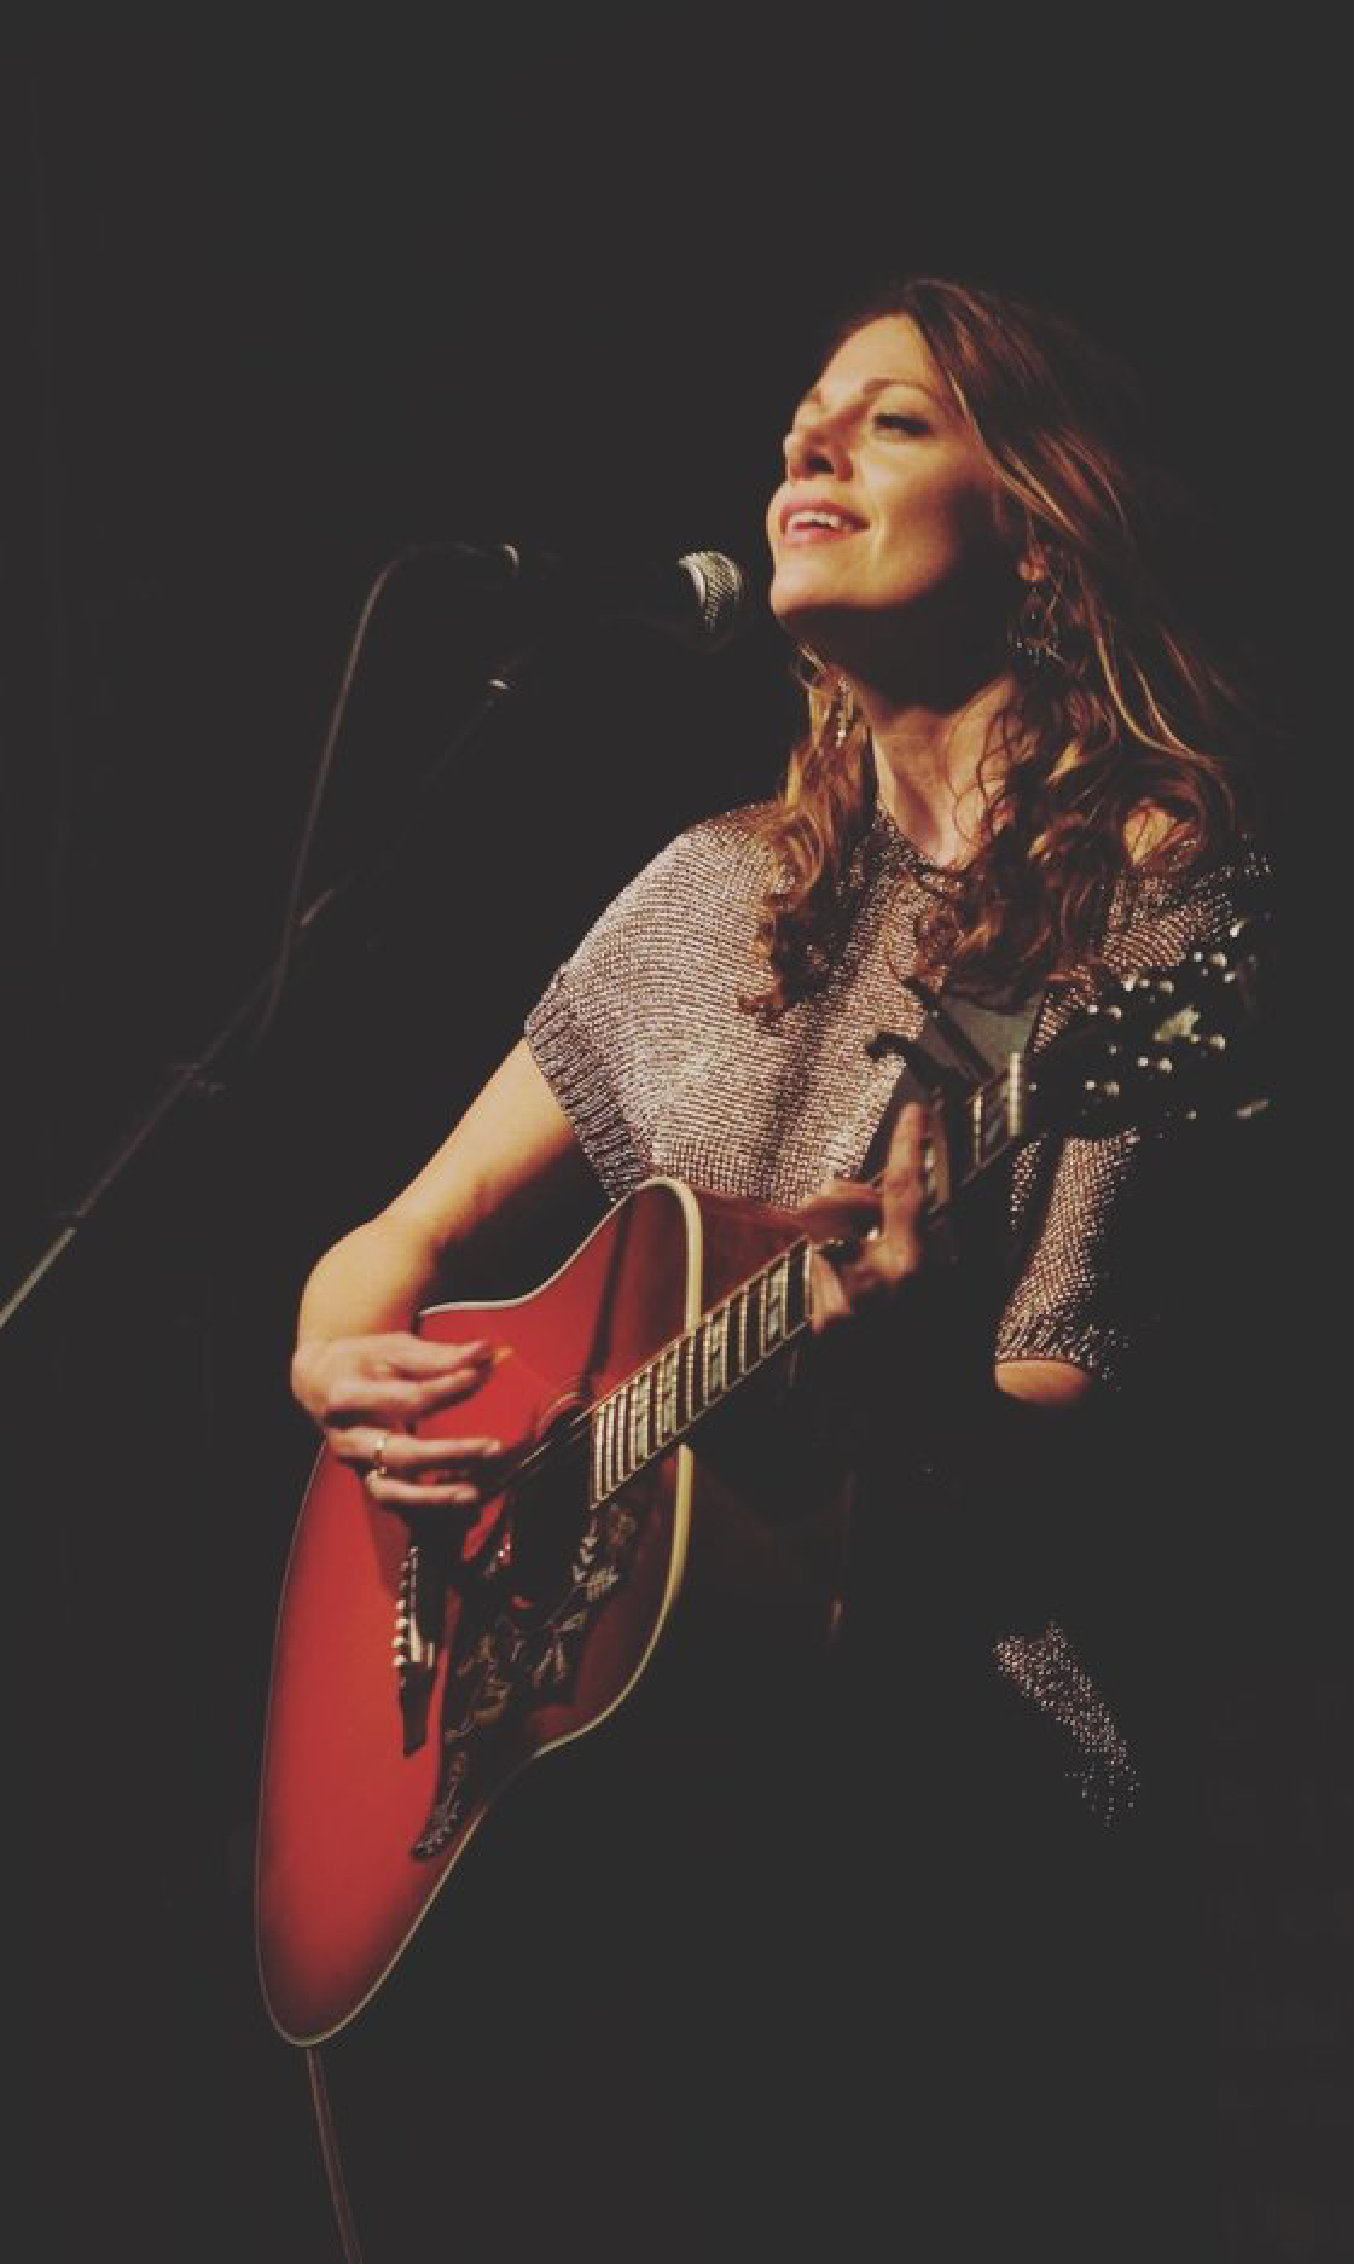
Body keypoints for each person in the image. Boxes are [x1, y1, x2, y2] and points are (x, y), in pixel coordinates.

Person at [286, 275, 1266, 2260]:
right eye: (807, 415)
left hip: (933, 1800)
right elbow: (412, 1226)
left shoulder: (1170, 902)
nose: (807, 446)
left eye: (893, 421)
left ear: (1041, 514)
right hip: (618, 1811)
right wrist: (337, 1311)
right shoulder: (715, 884)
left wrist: (903, 1408)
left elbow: (1092, 1425)